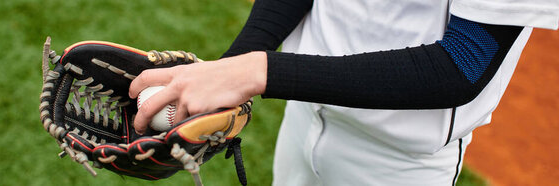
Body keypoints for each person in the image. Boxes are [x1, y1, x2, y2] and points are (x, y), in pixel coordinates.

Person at [129, 0, 559, 185]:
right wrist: (232, 66)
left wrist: (260, 71)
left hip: (396, 164)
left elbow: (465, 61)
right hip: (302, 123)